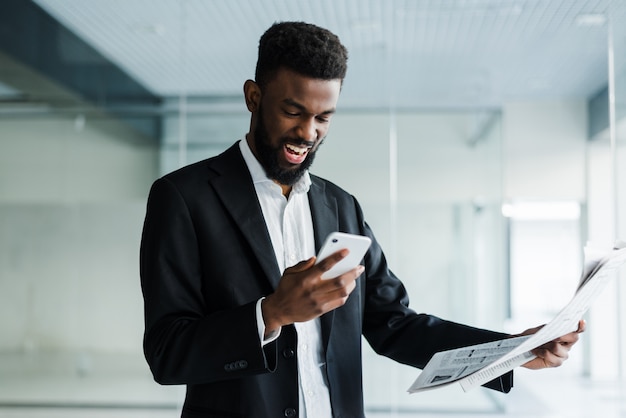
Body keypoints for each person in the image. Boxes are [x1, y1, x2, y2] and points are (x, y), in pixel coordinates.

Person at [140, 21, 584, 418]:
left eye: (323, 117)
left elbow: (396, 324)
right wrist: (270, 314)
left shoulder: (341, 206)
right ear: (253, 97)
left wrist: (513, 352)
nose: (308, 133)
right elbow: (166, 352)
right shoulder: (183, 197)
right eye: (293, 111)